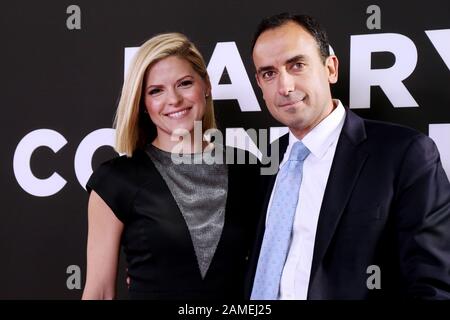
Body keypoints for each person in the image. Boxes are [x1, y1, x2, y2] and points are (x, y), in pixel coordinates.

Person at [246, 13, 450, 299]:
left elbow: (433, 285)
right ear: (260, 84)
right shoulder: (265, 161)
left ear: (330, 68)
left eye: (297, 65)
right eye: (269, 73)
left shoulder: (404, 154)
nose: (285, 87)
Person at [81, 33, 261, 300]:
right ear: (142, 103)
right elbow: (99, 292)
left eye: (185, 83)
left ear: (207, 86)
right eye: (156, 91)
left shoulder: (247, 170)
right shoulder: (115, 180)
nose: (174, 100)